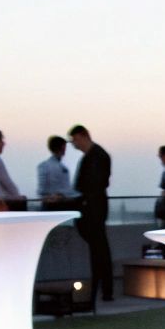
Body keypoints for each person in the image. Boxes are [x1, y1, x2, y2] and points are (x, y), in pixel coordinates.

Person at [68, 124, 113, 301]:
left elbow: (93, 185)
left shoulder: (96, 156)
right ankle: (102, 290)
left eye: (75, 140)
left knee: (100, 250)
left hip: (93, 209)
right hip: (93, 207)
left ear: (83, 136)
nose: (74, 144)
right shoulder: (95, 156)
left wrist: (79, 199)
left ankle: (103, 290)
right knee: (99, 250)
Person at [37, 135, 73, 206]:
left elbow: (41, 190)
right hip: (55, 204)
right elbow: (42, 190)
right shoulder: (46, 166)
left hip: (57, 203)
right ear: (62, 147)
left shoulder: (43, 166)